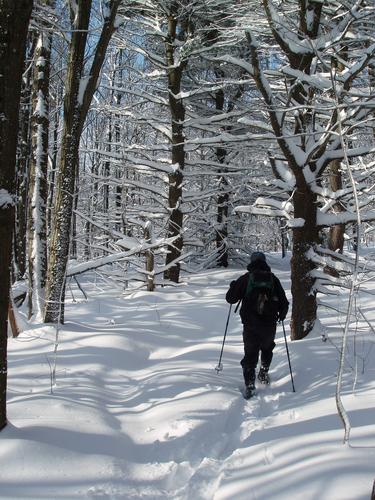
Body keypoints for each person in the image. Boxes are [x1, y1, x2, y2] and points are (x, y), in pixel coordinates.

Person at [225, 251, 289, 397]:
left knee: (250, 353)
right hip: (269, 323)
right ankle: (264, 372)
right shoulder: (273, 279)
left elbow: (230, 299)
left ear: (251, 262)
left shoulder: (246, 278)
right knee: (267, 348)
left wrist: (233, 286)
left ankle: (250, 384)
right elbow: (284, 303)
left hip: (250, 324)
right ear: (265, 262)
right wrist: (281, 316)